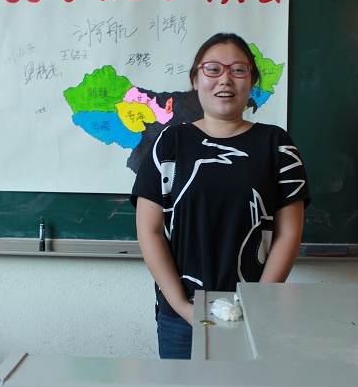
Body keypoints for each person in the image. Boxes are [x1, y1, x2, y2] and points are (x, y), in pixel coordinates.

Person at [130, 32, 310, 359]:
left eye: (238, 70)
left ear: (251, 81)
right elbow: (149, 231)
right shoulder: (168, 144)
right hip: (180, 316)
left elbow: (289, 233)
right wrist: (182, 306)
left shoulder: (277, 146)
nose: (225, 79)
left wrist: (257, 304)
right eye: (212, 69)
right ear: (195, 80)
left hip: (254, 314)